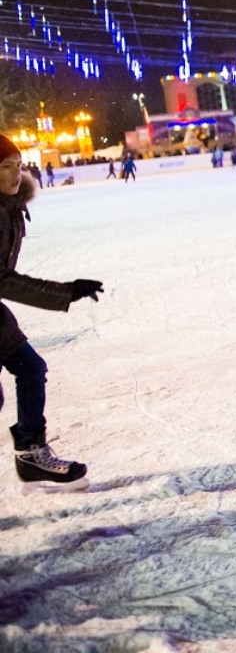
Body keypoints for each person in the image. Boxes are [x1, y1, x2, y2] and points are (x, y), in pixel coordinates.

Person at [0, 133, 102, 493]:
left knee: (31, 369)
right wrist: (67, 292)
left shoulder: (10, 208)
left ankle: (30, 453)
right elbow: (3, 279)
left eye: (18, 165)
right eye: (5, 167)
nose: (15, 174)